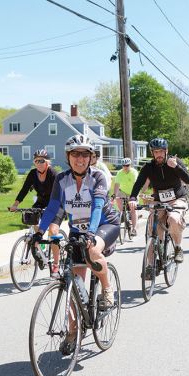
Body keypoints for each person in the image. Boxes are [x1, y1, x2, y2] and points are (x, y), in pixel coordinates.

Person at [32, 134, 120, 352]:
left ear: (91, 158)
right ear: (68, 157)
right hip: (77, 230)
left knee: (92, 250)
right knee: (72, 284)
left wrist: (91, 233)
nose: (80, 159)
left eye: (85, 154)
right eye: (75, 154)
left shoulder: (98, 177)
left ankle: (107, 291)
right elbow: (53, 208)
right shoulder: (61, 180)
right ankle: (73, 331)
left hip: (104, 225)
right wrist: (39, 232)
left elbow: (98, 205)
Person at [129, 138, 189, 263]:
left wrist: (176, 167)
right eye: (155, 152)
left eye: (161, 151)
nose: (159, 155)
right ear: (152, 153)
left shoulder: (175, 162)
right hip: (159, 201)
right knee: (153, 224)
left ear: (166, 151)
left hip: (177, 199)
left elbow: (188, 180)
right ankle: (151, 264)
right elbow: (138, 183)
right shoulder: (148, 167)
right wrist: (133, 198)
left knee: (173, 219)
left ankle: (178, 248)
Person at [9, 149, 62, 276]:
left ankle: (56, 264)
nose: (38, 163)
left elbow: (60, 193)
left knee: (53, 231)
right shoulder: (33, 174)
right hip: (42, 201)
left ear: (47, 162)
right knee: (32, 218)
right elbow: (24, 189)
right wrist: (15, 205)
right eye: (36, 160)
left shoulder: (53, 174)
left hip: (56, 203)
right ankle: (42, 247)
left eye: (41, 160)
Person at [113, 158, 138, 236]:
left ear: (130, 165)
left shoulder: (134, 172)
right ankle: (123, 214)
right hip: (123, 191)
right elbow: (117, 185)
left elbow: (135, 185)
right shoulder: (119, 173)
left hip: (132, 192)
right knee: (118, 200)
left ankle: (134, 229)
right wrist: (114, 195)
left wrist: (133, 197)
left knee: (133, 209)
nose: (125, 167)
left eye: (127, 165)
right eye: (124, 165)